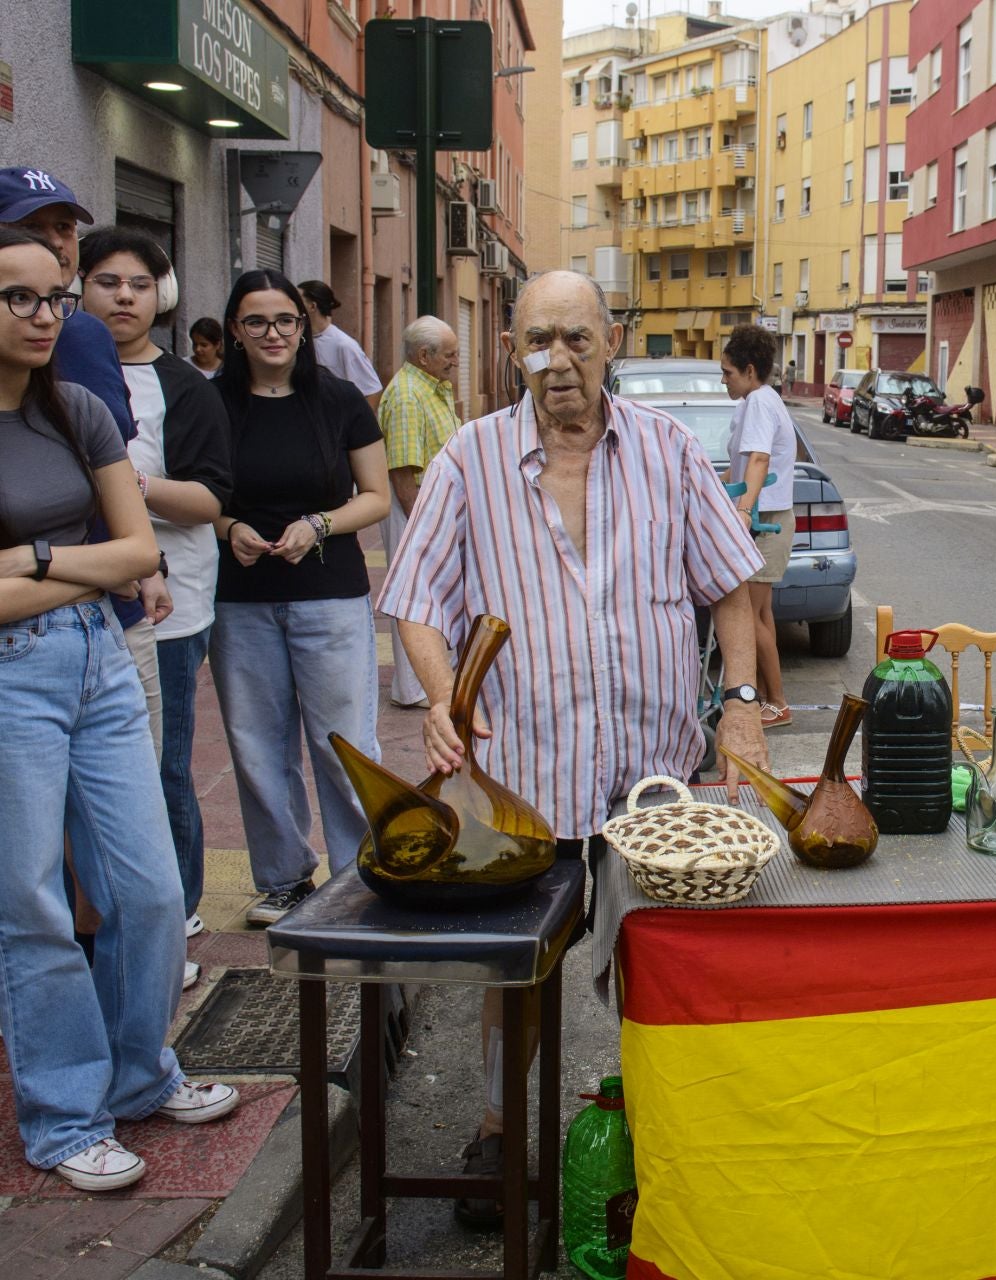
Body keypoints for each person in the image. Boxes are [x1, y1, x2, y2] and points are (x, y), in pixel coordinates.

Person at [379, 269, 769, 1231]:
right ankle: (500, 1127)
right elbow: (416, 600)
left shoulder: (671, 453)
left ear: (611, 342)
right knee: (518, 973)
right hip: (527, 780)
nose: (558, 361)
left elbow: (729, 590)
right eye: (538, 341)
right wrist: (439, 696)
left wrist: (744, 703)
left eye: (577, 340)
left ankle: (659, 1131)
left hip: (654, 778)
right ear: (513, 349)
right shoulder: (469, 460)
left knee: (662, 964)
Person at [0, 225, 238, 1194]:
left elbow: (143, 552)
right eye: (18, 298)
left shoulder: (80, 411)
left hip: (98, 660)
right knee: (34, 904)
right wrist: (83, 572)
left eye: (53, 296)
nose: (44, 315)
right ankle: (62, 1116)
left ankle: (141, 1074)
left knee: (147, 893)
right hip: (13, 675)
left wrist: (40, 560)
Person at [209, 269, 390, 925]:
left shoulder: (338, 398)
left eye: (285, 319)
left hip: (329, 593)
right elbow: (201, 499)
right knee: (258, 746)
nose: (273, 333)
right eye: (256, 321)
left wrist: (316, 524)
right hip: (241, 597)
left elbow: (375, 495)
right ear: (235, 329)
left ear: (303, 324)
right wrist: (230, 529)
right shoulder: (212, 402)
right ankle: (284, 878)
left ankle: (357, 874)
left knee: (344, 745)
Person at [78, 226, 234, 968]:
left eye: (140, 285)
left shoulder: (183, 386)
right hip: (78, 598)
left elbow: (208, 498)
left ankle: (182, 908)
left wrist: (122, 483)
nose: (124, 297)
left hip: (169, 604)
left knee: (164, 765)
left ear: (162, 296)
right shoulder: (54, 371)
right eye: (108, 282)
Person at [376, 315, 460, 708]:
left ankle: (429, 678)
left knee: (435, 592)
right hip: (414, 508)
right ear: (424, 355)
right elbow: (402, 472)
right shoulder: (409, 394)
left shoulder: (432, 386)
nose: (455, 360)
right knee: (415, 595)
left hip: (433, 507)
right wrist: (419, 526)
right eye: (449, 354)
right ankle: (412, 689)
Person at [719, 323, 797, 728]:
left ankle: (778, 703)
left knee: (749, 615)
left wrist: (744, 509)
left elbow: (759, 460)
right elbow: (745, 464)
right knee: (761, 614)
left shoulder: (759, 403)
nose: (723, 380)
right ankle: (769, 699)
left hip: (766, 520)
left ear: (750, 370)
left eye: (728, 372)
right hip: (767, 517)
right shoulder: (761, 400)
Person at [297, 280, 382, 410]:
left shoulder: (344, 345)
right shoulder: (297, 339)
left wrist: (358, 426)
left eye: (298, 301)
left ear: (312, 306)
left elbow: (372, 390)